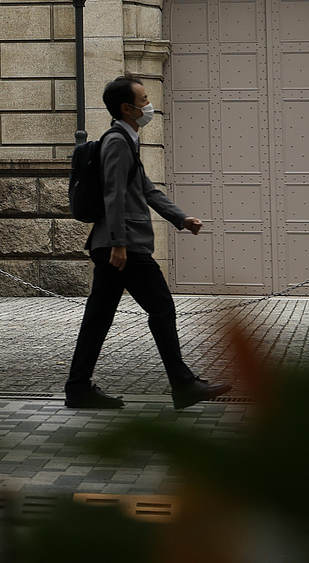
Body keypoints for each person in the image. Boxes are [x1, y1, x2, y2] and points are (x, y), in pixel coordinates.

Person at [64, 74, 232, 411]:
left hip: (114, 245)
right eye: (143, 100)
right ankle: (183, 385)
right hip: (124, 247)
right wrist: (119, 243)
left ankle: (78, 387)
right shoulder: (116, 142)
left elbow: (147, 189)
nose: (148, 104)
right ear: (127, 108)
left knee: (98, 317)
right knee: (161, 307)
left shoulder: (128, 140)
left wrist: (180, 218)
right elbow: (113, 195)